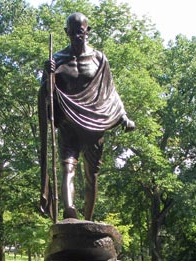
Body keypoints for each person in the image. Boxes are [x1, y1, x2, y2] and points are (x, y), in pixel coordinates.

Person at [39, 12, 135, 221]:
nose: (77, 37)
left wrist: (123, 116)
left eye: (80, 32)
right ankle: (70, 212)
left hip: (94, 123)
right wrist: (48, 76)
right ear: (66, 33)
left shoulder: (99, 59)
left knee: (91, 175)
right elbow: (47, 94)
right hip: (68, 123)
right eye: (72, 33)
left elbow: (111, 92)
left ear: (87, 32)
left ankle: (88, 222)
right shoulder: (57, 60)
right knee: (68, 166)